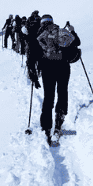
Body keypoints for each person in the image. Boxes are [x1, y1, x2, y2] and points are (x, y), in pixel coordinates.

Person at [33, 14, 80, 146]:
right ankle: (59, 122)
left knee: (48, 96)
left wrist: (34, 72)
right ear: (52, 22)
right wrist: (72, 30)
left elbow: (33, 53)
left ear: (42, 22)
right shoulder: (62, 32)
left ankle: (46, 128)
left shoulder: (39, 35)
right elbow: (77, 42)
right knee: (62, 92)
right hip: (63, 67)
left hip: (47, 68)